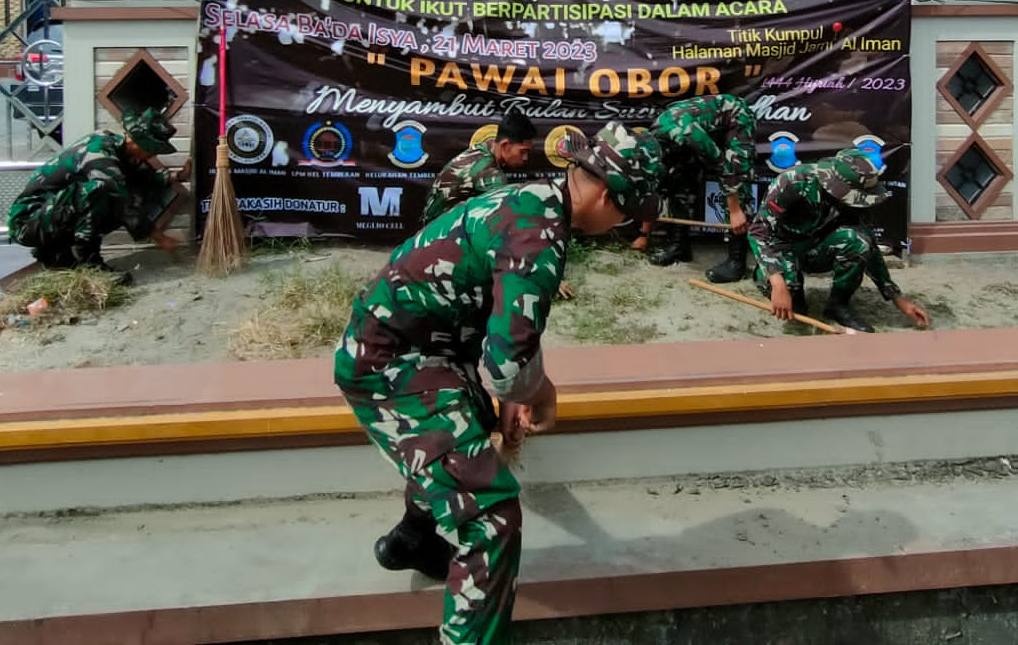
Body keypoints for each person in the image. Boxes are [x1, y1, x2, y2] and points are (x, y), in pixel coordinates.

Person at [334, 122, 663, 645]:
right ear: (605, 195)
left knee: (469, 428)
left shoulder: (535, 200)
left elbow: (509, 324)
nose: (623, 226)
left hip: (427, 346)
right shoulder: (540, 235)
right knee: (491, 518)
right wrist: (533, 389)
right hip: (390, 364)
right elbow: (508, 367)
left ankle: (413, 541)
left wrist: (513, 392)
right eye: (627, 215)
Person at [746, 146, 930, 333]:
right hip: (782, 249)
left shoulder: (856, 202)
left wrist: (898, 299)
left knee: (860, 241)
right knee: (794, 305)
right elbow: (759, 231)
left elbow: (870, 246)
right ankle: (789, 287)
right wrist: (777, 282)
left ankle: (838, 306)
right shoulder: (793, 182)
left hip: (817, 248)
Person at [7, 106, 189, 273]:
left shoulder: (119, 150)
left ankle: (56, 252)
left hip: (52, 216)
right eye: (151, 149)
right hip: (28, 222)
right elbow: (122, 201)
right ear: (136, 142)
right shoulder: (99, 153)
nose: (153, 155)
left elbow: (143, 178)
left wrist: (177, 177)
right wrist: (161, 238)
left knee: (128, 192)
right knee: (101, 191)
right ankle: (88, 261)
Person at [631, 93, 757, 271]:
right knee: (679, 180)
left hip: (735, 117)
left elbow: (722, 166)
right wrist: (644, 235)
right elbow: (652, 188)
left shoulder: (684, 133)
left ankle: (737, 262)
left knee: (736, 171)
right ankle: (679, 246)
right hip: (702, 131)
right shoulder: (654, 144)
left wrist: (735, 210)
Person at [423, 110, 537, 224]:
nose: (526, 158)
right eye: (522, 151)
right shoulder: (489, 172)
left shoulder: (486, 147)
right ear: (505, 145)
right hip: (437, 234)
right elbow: (511, 215)